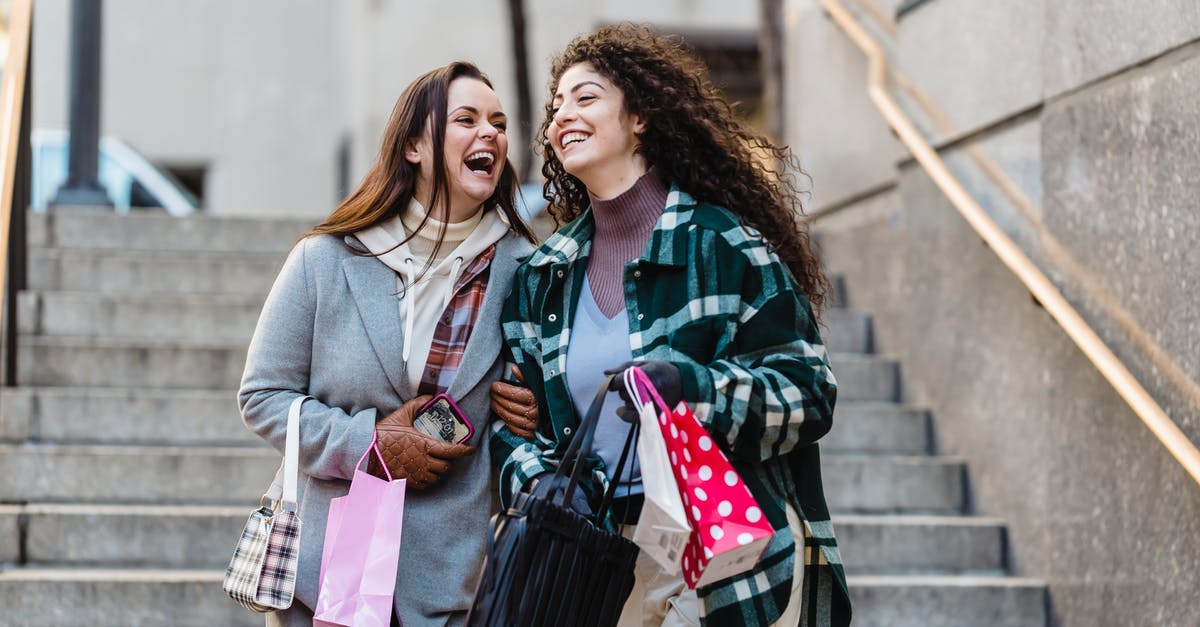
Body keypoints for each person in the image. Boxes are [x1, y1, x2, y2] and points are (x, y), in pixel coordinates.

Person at [490, 24, 852, 627]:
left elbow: (810, 391)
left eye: (585, 98)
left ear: (641, 117)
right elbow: (510, 430)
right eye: (555, 107)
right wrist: (543, 485)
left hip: (725, 557)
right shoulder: (541, 278)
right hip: (596, 561)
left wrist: (696, 388)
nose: (561, 118)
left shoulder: (721, 244)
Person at [239, 61, 539, 627]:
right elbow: (263, 396)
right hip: (325, 573)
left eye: (499, 124)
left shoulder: (527, 272)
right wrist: (367, 445)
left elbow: (536, 408)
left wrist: (532, 412)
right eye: (467, 119)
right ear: (414, 147)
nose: (491, 135)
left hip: (450, 580)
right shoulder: (325, 259)